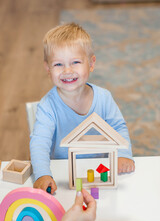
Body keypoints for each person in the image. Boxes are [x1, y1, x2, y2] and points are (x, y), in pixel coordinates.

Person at [30, 23, 135, 194]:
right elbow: (39, 143)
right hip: (63, 172)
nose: (67, 70)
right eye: (58, 64)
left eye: (75, 62)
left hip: (100, 169)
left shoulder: (104, 98)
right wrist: (42, 174)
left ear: (91, 64)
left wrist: (124, 154)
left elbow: (118, 128)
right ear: (48, 69)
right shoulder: (47, 106)